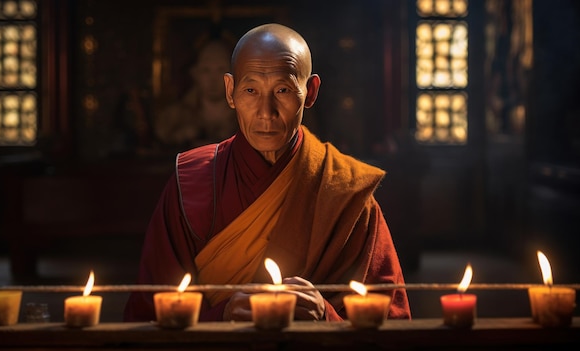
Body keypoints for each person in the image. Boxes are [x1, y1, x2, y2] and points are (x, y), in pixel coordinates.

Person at [124, 23, 411, 322]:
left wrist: (325, 315)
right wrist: (222, 317)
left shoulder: (345, 189)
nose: (266, 111)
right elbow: (147, 315)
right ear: (230, 91)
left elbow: (391, 321)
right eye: (250, 90)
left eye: (283, 90)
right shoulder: (190, 183)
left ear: (310, 92)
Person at [155, 37, 237, 149]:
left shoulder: (245, 116)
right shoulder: (175, 118)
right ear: (195, 73)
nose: (213, 79)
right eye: (206, 70)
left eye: (221, 70)